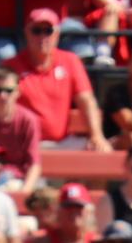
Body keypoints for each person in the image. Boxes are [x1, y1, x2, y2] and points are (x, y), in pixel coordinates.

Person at [6, 11, 108, 150]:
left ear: (57, 34)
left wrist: (96, 135)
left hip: (63, 142)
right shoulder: (11, 66)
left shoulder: (70, 61)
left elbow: (86, 100)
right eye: (36, 31)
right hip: (23, 143)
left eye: (48, 31)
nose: (42, 37)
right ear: (26, 33)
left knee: (103, 152)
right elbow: (2, 106)